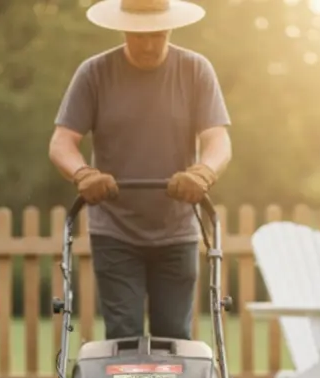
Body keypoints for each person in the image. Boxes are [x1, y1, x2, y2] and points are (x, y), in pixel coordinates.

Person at [48, 0, 231, 342]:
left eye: (157, 36)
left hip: (177, 229)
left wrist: (203, 173)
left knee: (174, 338)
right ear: (122, 29)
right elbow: (61, 142)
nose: (148, 44)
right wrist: (84, 174)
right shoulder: (94, 73)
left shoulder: (195, 70)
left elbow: (218, 139)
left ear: (170, 28)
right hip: (114, 229)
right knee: (124, 336)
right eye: (138, 36)